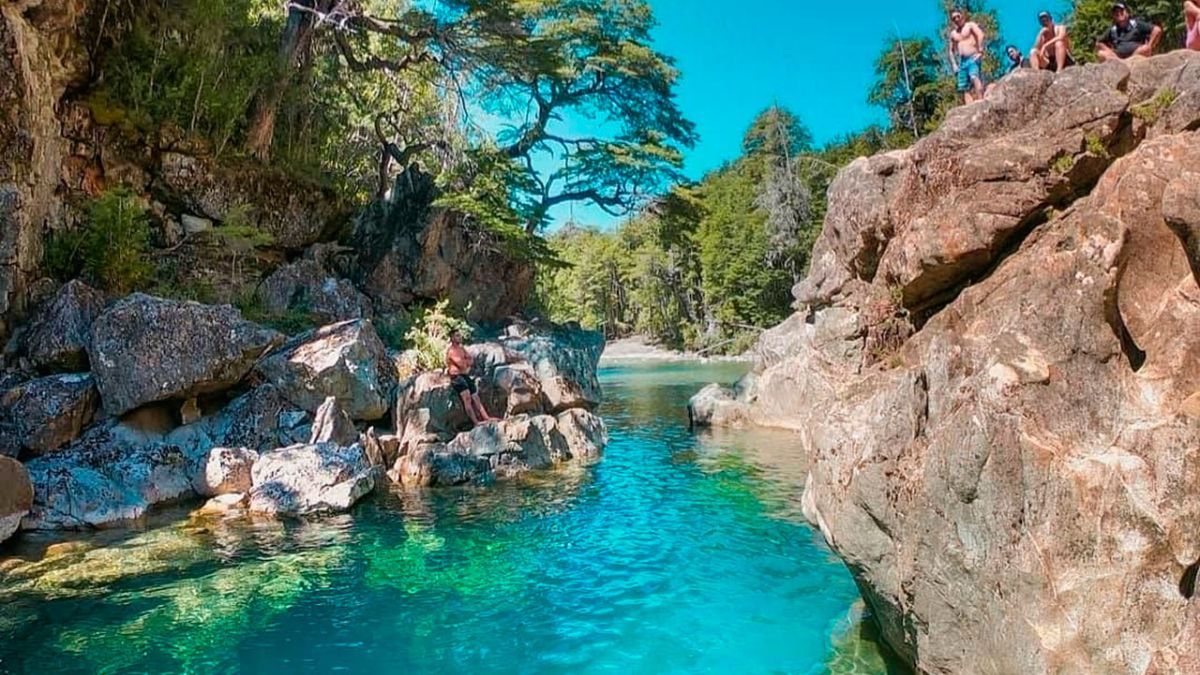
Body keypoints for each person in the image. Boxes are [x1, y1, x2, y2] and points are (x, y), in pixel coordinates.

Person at [445, 330, 496, 426]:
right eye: (457, 336)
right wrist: (466, 362)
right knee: (467, 398)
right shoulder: (451, 351)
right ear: (452, 338)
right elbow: (462, 365)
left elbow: (471, 360)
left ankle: (486, 418)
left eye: (459, 335)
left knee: (476, 396)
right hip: (456, 377)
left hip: (465, 375)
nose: (460, 337)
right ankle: (476, 422)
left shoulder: (462, 349)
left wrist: (466, 362)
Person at [1097, 3, 1162, 61]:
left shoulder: (1136, 24)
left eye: (1121, 11)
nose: (1119, 13)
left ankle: (1129, 62)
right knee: (1101, 53)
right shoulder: (1113, 29)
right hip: (1118, 58)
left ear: (1127, 13)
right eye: (1116, 12)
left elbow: (1157, 30)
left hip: (1136, 56)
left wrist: (1150, 45)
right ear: (1113, 16)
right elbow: (1099, 43)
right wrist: (1109, 51)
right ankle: (1120, 64)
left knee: (1145, 49)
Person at [948, 8, 987, 104]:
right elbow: (951, 50)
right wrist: (954, 64)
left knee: (974, 77)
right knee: (963, 86)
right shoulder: (953, 34)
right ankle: (969, 107)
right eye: (954, 18)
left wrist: (980, 50)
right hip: (962, 62)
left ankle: (981, 101)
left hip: (973, 57)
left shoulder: (970, 25)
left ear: (962, 16)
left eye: (958, 16)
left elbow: (980, 34)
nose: (956, 19)